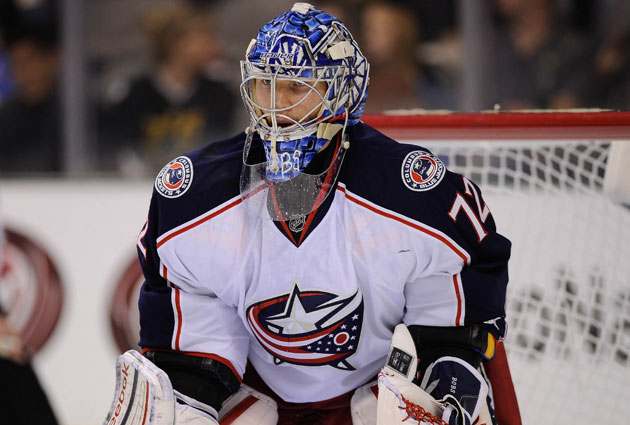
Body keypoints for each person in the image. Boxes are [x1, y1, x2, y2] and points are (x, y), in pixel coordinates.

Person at [104, 3, 513, 425]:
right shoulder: (194, 199)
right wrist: (182, 404)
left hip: (380, 394)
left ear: (341, 93)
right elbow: (193, 358)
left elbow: (448, 335)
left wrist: (448, 386)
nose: (275, 107)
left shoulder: (413, 195)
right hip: (256, 399)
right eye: (265, 85)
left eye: (296, 87)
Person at [99, 1, 237, 176]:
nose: (214, 46)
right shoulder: (134, 94)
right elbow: (121, 151)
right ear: (176, 44)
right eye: (204, 37)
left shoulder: (221, 94)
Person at [0, 24, 61, 174]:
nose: (23, 73)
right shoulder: (6, 117)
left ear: (51, 60)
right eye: (16, 64)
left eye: (29, 61)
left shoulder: (74, 113)